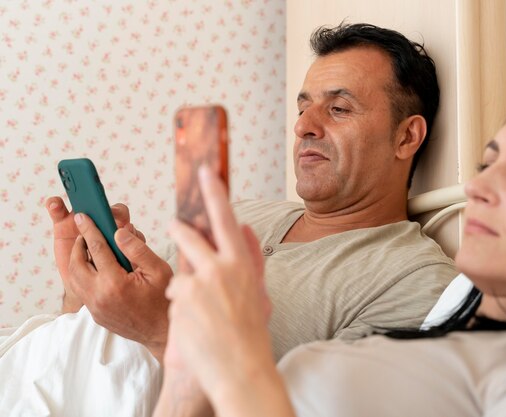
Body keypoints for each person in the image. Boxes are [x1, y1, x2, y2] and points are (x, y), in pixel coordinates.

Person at [0, 23, 456, 416]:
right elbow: (99, 350)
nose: (303, 126)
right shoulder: (240, 214)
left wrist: (163, 331)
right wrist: (81, 295)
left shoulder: (413, 282)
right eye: (303, 108)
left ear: (406, 136)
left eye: (338, 109)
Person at [154, 88, 506, 416]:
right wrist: (188, 371)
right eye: (487, 163)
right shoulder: (445, 341)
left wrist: (242, 363)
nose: (477, 186)